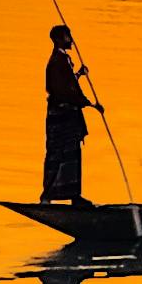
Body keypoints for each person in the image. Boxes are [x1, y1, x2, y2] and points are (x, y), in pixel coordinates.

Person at [41, 22, 88, 203]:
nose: (71, 40)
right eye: (68, 36)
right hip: (60, 117)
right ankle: (48, 195)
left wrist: (78, 74)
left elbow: (69, 84)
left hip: (67, 116)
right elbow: (62, 91)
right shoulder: (56, 61)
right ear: (60, 40)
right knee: (57, 153)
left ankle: (73, 195)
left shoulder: (63, 60)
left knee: (71, 154)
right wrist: (86, 102)